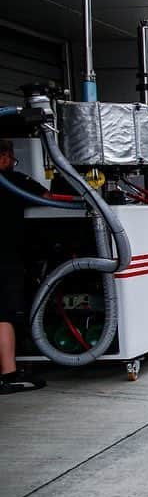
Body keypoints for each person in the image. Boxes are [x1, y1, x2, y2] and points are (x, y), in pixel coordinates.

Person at [0, 139, 47, 394]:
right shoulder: (14, 181)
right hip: (5, 257)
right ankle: (8, 375)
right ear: (5, 156)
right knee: (4, 314)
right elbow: (52, 199)